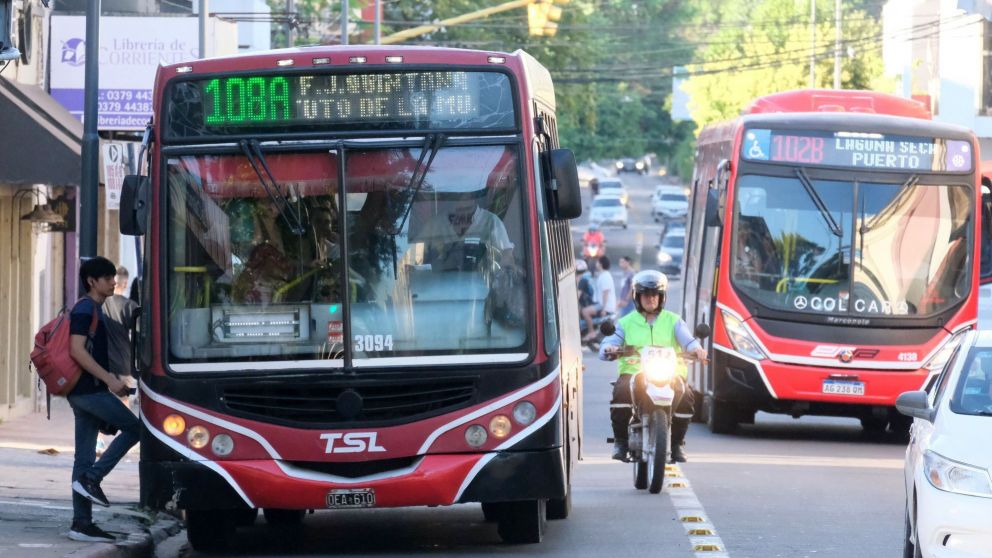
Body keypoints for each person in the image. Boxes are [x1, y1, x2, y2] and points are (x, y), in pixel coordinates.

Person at [67, 257, 140, 543]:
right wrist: (110, 380)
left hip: (84, 390)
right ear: (91, 282)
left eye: (113, 277)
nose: (113, 282)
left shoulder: (94, 308)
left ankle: (81, 524)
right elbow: (76, 350)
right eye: (107, 278)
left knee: (82, 457)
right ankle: (93, 479)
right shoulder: (86, 308)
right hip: (89, 390)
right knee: (136, 428)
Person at [599, 270, 707, 463]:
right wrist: (610, 348)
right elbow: (607, 344)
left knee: (687, 395)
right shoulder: (625, 322)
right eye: (646, 295)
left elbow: (689, 342)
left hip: (669, 373)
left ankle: (676, 444)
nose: (650, 299)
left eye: (654, 295)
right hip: (635, 372)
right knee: (621, 391)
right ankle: (621, 442)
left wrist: (697, 349)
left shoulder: (674, 321)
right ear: (637, 297)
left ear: (662, 297)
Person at [418, 196, 514, 270]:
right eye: (458, 196)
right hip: (439, 288)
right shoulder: (435, 225)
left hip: (482, 288)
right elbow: (416, 256)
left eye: (465, 196)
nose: (461, 201)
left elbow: (507, 256)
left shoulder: (491, 222)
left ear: (474, 197)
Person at [102, 266, 138, 381]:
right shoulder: (129, 306)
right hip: (123, 365)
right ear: (125, 283)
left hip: (101, 367)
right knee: (123, 398)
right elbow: (142, 336)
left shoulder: (96, 303)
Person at [582, 255, 616, 341]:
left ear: (600, 264)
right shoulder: (603, 275)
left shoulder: (605, 276)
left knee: (585, 312)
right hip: (601, 304)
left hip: (605, 306)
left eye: (597, 262)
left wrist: (604, 309)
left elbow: (606, 293)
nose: (596, 264)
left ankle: (591, 333)